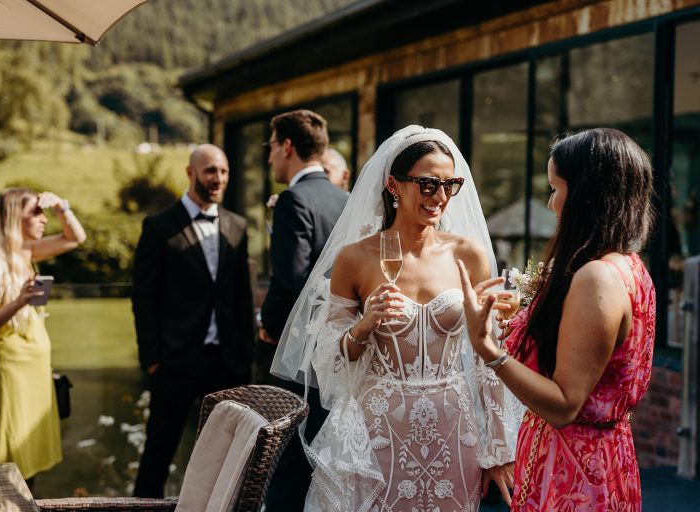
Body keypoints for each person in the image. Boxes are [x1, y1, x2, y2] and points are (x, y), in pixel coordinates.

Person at [271, 125, 522, 511]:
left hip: (455, 432)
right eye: (428, 184)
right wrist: (363, 326)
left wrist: (499, 448)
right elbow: (327, 359)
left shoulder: (468, 254)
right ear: (393, 185)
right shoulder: (355, 258)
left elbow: (488, 355)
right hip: (378, 433)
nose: (440, 197)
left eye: (449, 185)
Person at [457, 128, 656, 510]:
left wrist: (487, 348)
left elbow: (564, 404)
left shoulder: (596, 277)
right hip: (601, 458)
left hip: (576, 471)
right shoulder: (630, 266)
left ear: (585, 194)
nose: (551, 204)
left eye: (555, 188)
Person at [132, 144, 255, 498]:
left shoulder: (237, 225)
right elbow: (143, 297)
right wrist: (152, 358)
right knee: (158, 453)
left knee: (228, 454)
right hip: (175, 360)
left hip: (226, 360)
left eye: (224, 171)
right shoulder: (158, 227)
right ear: (190, 173)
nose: (218, 178)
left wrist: (245, 354)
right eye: (210, 170)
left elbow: (241, 296)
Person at [259, 109, 349, 511]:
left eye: (271, 147)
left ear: (287, 147)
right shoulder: (345, 199)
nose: (269, 157)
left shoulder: (294, 200)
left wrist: (267, 324)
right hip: (339, 351)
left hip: (302, 357)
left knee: (289, 462)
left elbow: (290, 280)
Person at [0, 188, 86, 484]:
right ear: (12, 217)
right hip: (10, 372)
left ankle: (27, 502)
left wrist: (62, 207)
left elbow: (75, 238)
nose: (44, 219)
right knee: (11, 458)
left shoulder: (26, 252)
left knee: (30, 460)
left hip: (35, 369)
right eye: (36, 212)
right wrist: (19, 301)